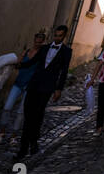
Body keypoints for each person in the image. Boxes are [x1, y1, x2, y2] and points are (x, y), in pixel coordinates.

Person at [14, 25, 71, 161]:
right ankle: (24, 148)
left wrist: (59, 89)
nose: (57, 38)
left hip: (47, 87)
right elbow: (33, 62)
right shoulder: (44, 48)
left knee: (38, 115)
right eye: (55, 35)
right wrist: (19, 64)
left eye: (60, 36)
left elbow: (64, 71)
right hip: (34, 85)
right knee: (28, 115)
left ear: (64, 36)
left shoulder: (67, 51)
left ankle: (33, 142)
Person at [0, 31, 46, 145]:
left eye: (40, 42)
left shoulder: (42, 55)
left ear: (43, 42)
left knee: (21, 112)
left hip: (29, 86)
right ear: (34, 40)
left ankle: (14, 135)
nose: (37, 43)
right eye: (36, 41)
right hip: (18, 83)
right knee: (7, 107)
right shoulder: (27, 52)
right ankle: (2, 133)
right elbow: (18, 64)